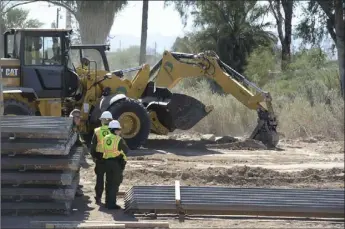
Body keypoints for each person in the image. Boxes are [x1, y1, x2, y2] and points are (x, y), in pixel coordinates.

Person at [102, 120, 128, 209]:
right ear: (115, 130)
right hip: (116, 163)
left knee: (108, 182)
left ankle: (107, 202)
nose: (120, 131)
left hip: (106, 162)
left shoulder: (105, 138)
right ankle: (112, 204)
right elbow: (126, 150)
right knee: (115, 183)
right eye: (119, 130)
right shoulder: (118, 139)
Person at [90, 111, 113, 204]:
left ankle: (98, 197)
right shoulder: (114, 130)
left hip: (100, 157)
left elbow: (93, 145)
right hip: (111, 158)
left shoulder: (97, 131)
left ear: (102, 120)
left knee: (99, 178)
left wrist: (93, 156)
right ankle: (109, 199)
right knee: (110, 179)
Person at [69, 109, 85, 197]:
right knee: (73, 173)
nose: (79, 119)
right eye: (77, 117)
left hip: (74, 154)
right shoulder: (70, 128)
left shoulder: (74, 127)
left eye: (80, 117)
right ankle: (74, 190)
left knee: (76, 172)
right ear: (72, 118)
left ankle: (76, 187)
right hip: (71, 155)